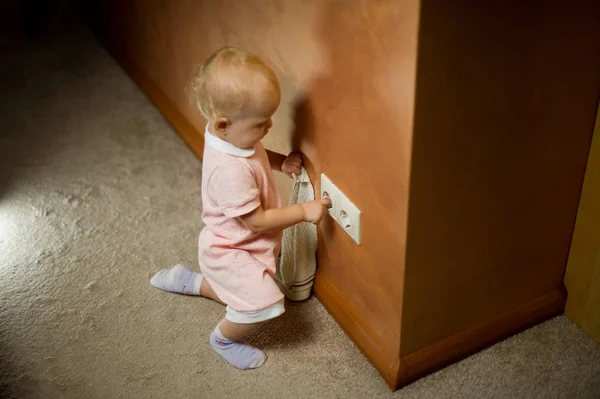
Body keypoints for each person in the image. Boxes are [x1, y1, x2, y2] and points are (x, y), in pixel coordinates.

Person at [150, 47, 331, 370]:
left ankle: (190, 281)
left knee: (238, 292)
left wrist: (280, 162)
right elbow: (258, 222)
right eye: (262, 123)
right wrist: (304, 211)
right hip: (231, 250)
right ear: (222, 125)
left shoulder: (234, 137)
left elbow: (257, 154)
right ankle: (223, 338)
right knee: (266, 302)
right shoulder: (229, 169)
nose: (269, 127)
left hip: (238, 245)